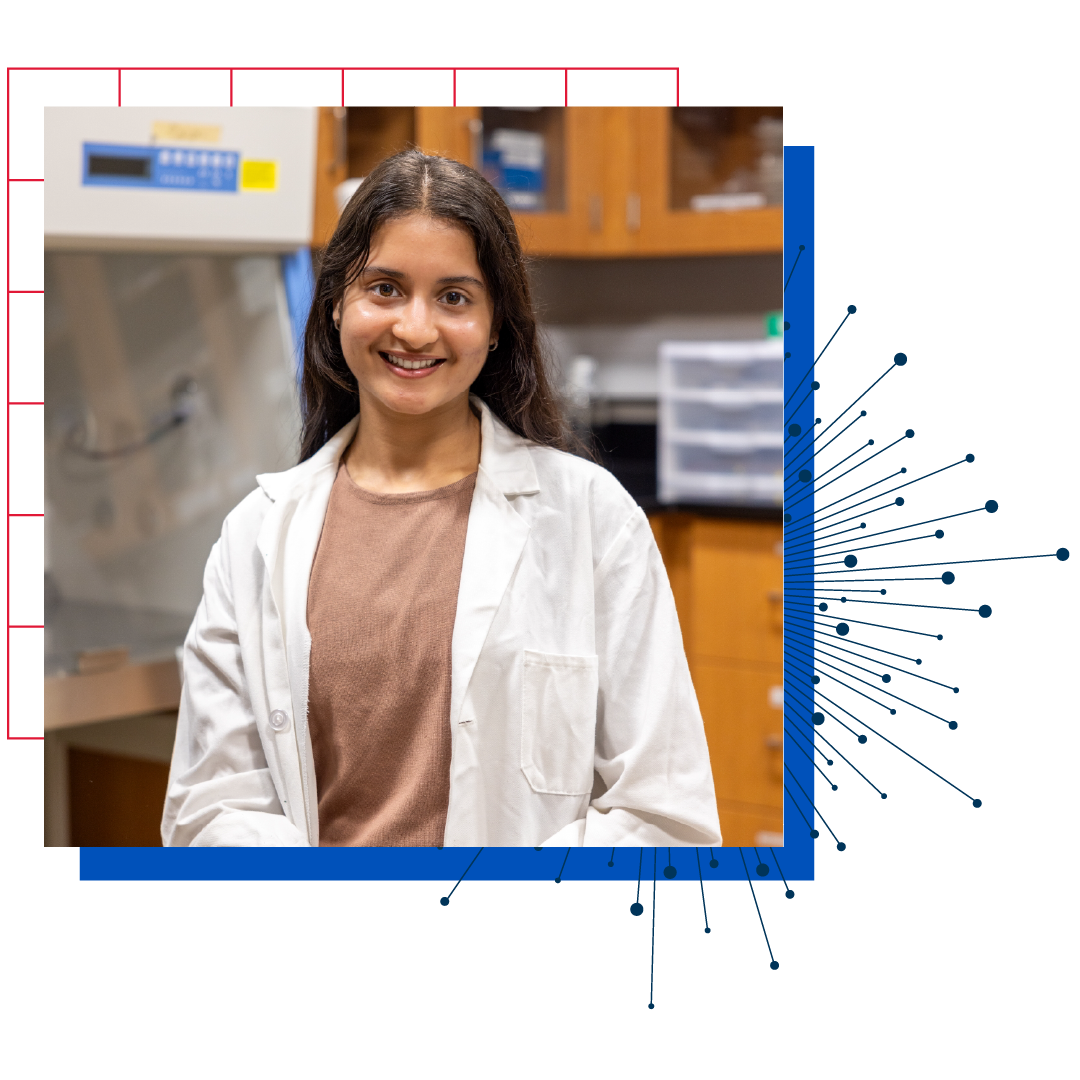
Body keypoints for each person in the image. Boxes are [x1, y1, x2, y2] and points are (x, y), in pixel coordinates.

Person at [161, 149, 722, 848]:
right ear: (336, 301)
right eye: (385, 288)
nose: (415, 328)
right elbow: (212, 806)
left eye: (454, 297)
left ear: (495, 325)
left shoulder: (591, 519)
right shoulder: (256, 537)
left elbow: (665, 814)